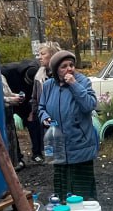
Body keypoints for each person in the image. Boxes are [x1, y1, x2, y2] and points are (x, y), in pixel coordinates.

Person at [38, 49, 100, 200]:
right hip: (57, 143)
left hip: (79, 143)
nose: (69, 69)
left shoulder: (83, 81)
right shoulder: (48, 86)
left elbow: (89, 105)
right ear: (56, 70)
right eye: (64, 66)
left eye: (71, 65)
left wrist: (74, 85)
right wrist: (44, 117)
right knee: (62, 190)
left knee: (82, 192)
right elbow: (41, 108)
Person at [2, 57, 42, 163]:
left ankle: (37, 153)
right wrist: (10, 97)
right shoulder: (7, 71)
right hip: (9, 101)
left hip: (27, 102)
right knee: (10, 129)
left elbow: (37, 96)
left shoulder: (39, 74)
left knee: (34, 123)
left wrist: (32, 112)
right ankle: (17, 158)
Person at [32, 41, 60, 162]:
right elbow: (34, 97)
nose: (39, 57)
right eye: (39, 54)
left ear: (53, 55)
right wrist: (35, 113)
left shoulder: (62, 74)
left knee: (61, 146)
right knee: (49, 145)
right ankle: (51, 162)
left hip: (61, 118)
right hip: (45, 119)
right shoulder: (39, 75)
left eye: (43, 54)